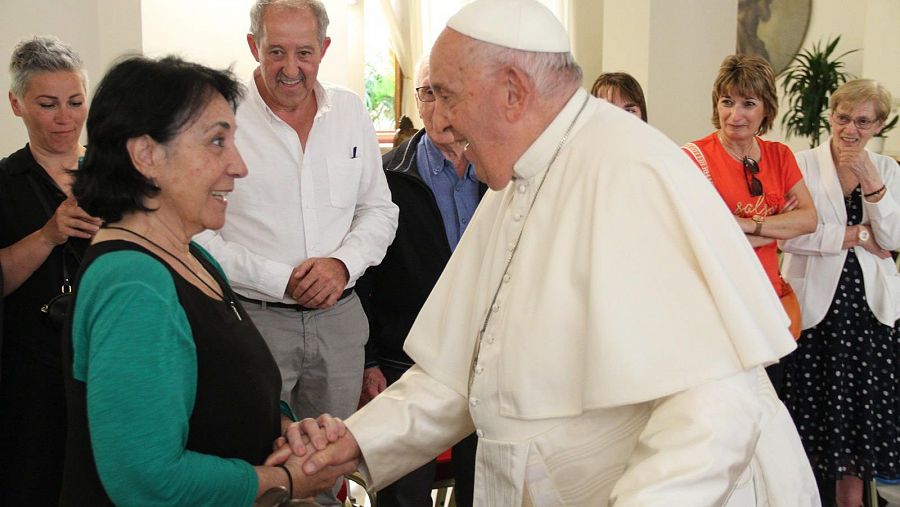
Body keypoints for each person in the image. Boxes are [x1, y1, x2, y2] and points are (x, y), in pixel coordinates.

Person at [273, 1, 821, 505]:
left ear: (513, 91)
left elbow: (715, 413)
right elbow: (464, 371)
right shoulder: (517, 178)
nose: (439, 121)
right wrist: (354, 441)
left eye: (448, 95)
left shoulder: (628, 169)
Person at [59, 55, 356, 506]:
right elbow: (146, 479)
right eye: (217, 141)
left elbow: (224, 389)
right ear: (147, 156)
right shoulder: (133, 284)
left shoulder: (191, 255)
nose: (239, 166)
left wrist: (288, 433)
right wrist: (285, 482)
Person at [194, 0, 397, 437]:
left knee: (328, 468)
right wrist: (282, 279)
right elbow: (197, 235)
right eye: (276, 52)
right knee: (254, 462)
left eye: (304, 52)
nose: (291, 68)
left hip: (340, 324)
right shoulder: (218, 117)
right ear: (253, 46)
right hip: (252, 320)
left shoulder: (350, 112)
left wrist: (341, 265)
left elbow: (379, 210)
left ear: (323, 48)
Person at [355, 59, 483, 507]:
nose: (440, 108)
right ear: (418, 102)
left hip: (483, 363)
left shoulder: (502, 175)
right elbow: (363, 280)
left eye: (449, 94)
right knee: (403, 498)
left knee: (484, 491)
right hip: (403, 363)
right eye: (429, 94)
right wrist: (369, 362)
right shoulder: (386, 177)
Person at [780, 79, 900, 507]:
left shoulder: (886, 169)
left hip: (869, 318)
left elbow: (895, 236)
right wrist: (855, 234)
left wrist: (870, 178)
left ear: (879, 125)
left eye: (863, 121)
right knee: (809, 428)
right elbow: (790, 235)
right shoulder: (800, 164)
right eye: (843, 117)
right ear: (830, 116)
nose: (850, 129)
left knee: (857, 433)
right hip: (815, 315)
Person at [0, 35, 102, 505]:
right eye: (48, 104)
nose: (65, 118)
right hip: (32, 375)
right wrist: (48, 235)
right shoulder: (5, 183)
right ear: (16, 104)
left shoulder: (116, 174)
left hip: (108, 361)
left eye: (75, 102)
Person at [682, 54, 817, 390]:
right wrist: (776, 223)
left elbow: (809, 219)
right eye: (727, 102)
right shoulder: (694, 158)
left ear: (766, 109)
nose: (734, 114)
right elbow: (702, 238)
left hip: (769, 306)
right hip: (720, 309)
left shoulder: (780, 156)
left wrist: (746, 225)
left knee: (768, 413)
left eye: (748, 103)